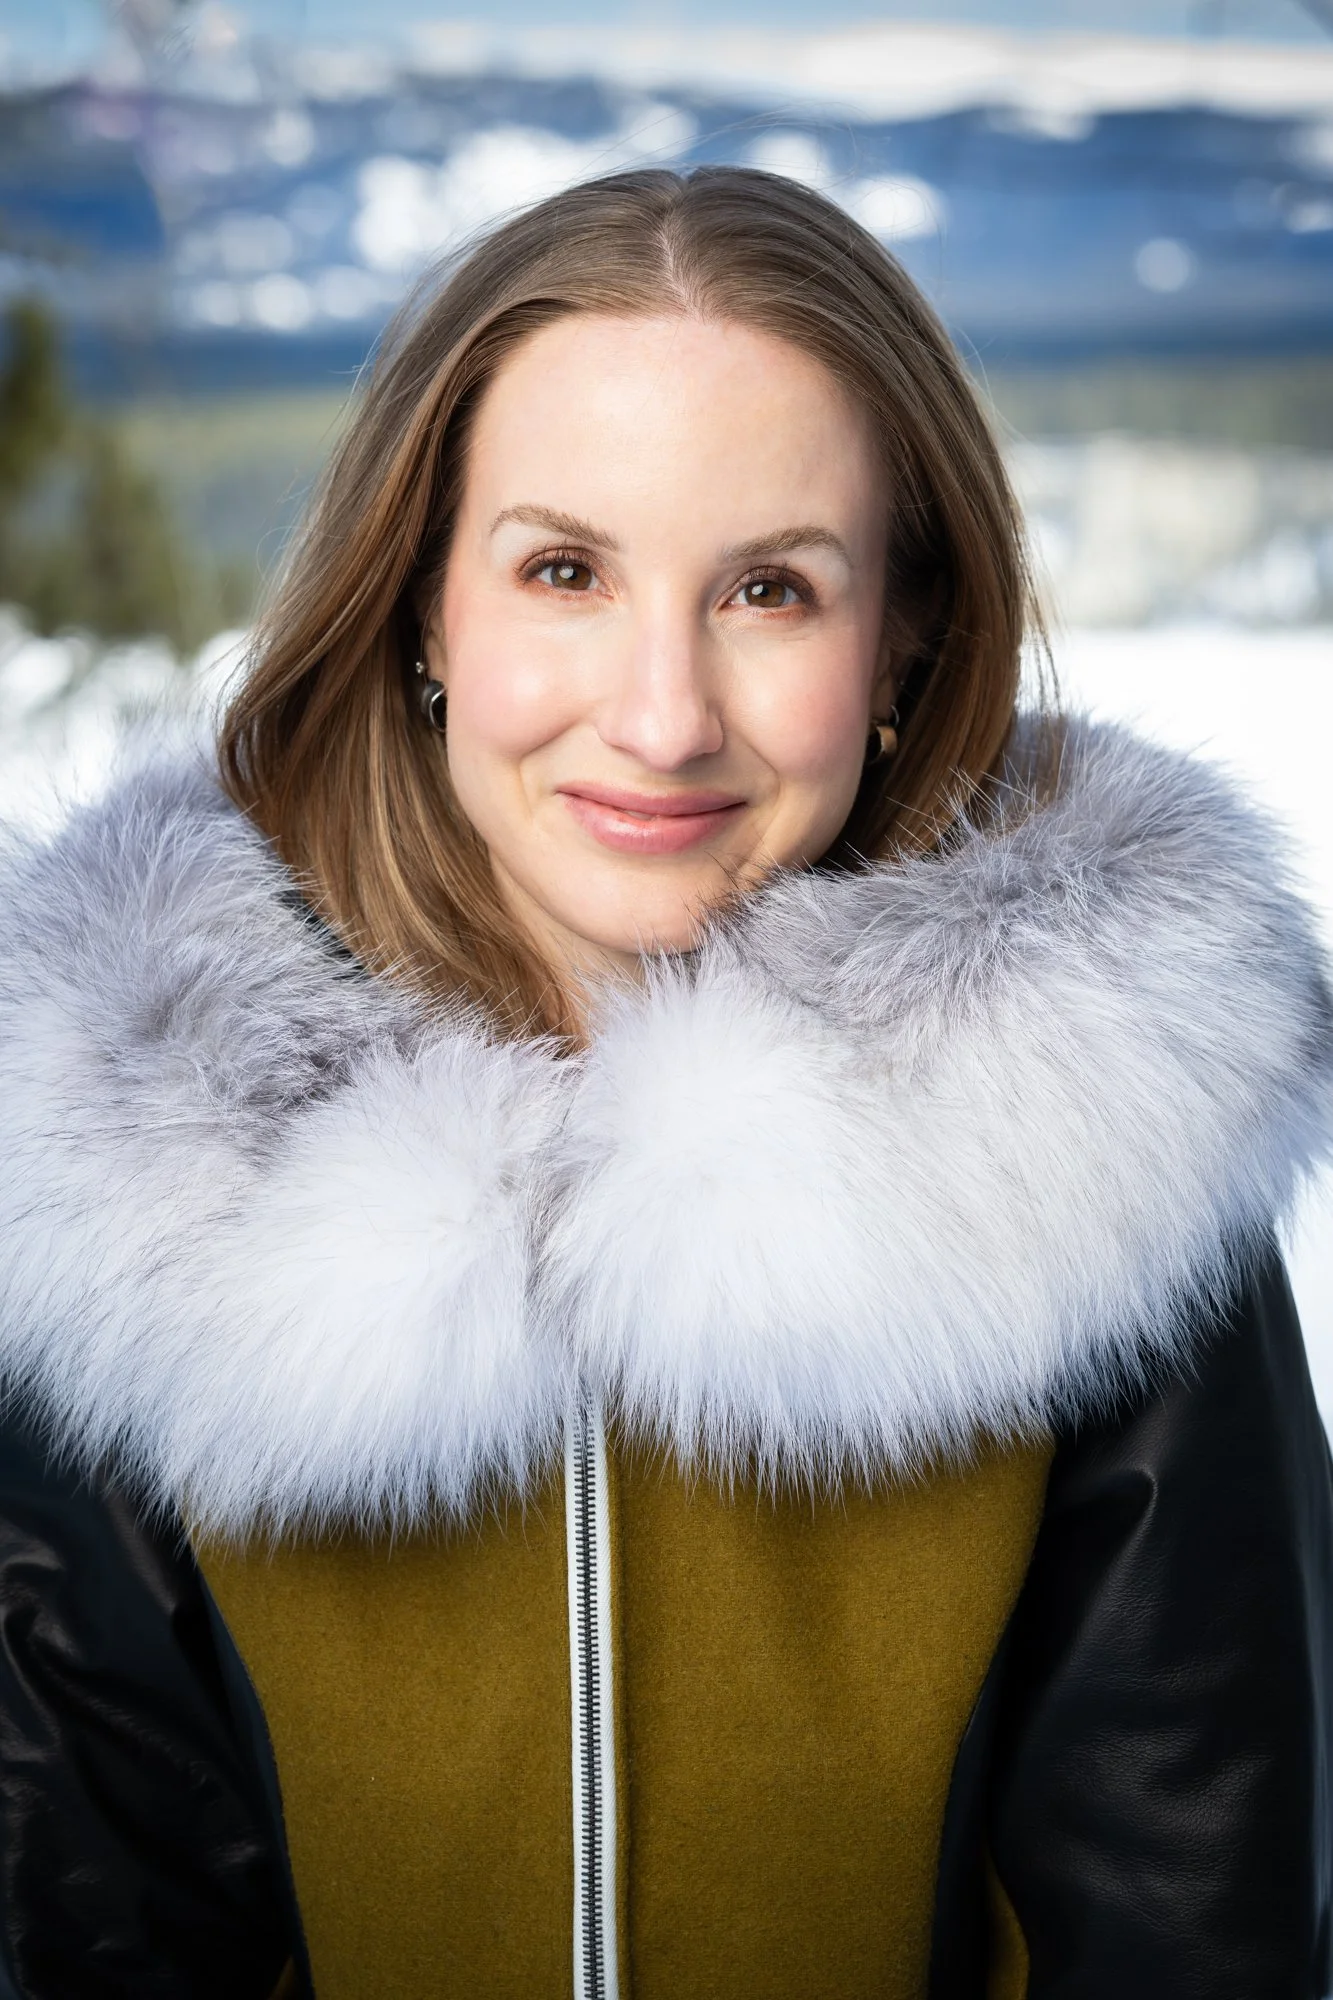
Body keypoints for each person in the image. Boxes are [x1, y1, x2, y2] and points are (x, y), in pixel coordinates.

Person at [0, 165, 1329, 2000]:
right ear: (421, 610)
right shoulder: (129, 1165)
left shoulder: (1096, 1153)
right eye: (563, 569)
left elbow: (1198, 1924)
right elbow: (87, 1917)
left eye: (771, 590)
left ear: (905, 642)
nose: (661, 713)